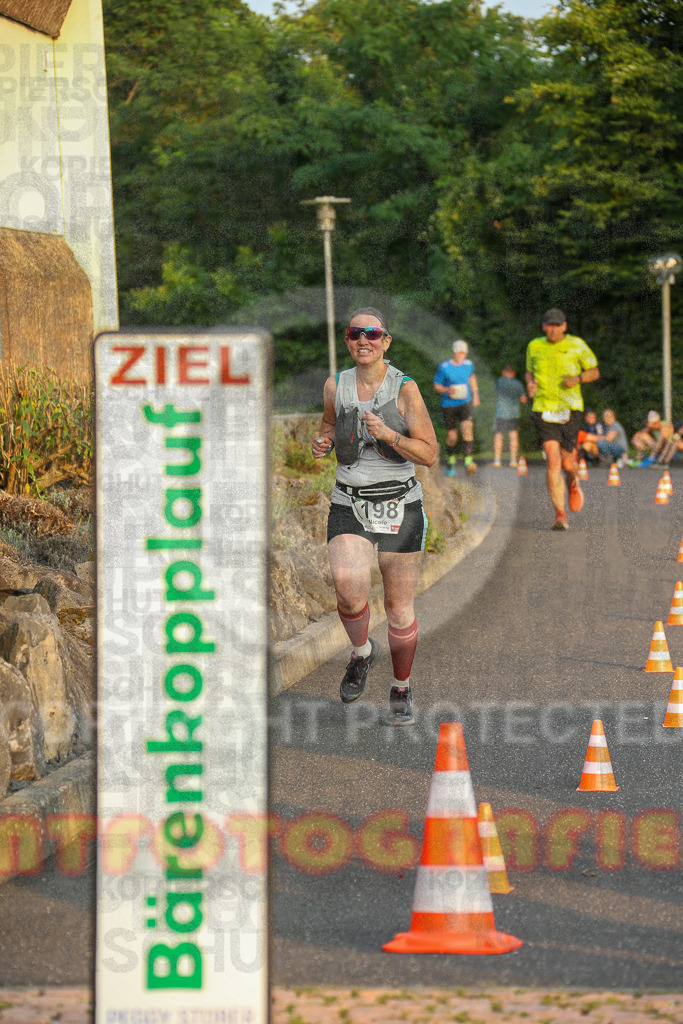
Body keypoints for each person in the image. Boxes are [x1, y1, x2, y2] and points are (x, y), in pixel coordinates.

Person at [311, 307, 438, 725]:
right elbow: (330, 425)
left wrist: (389, 434)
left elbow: (430, 455)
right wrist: (324, 442)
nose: (363, 340)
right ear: (347, 341)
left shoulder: (405, 390)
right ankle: (362, 652)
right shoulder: (337, 384)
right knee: (348, 592)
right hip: (350, 501)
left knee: (398, 606)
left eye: (373, 333)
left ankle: (401, 687)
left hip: (400, 504)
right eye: (355, 333)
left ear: (385, 341)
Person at [525, 307, 600, 530]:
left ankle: (573, 484)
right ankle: (560, 514)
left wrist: (577, 378)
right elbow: (529, 371)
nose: (553, 329)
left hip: (570, 410)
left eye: (557, 325)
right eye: (549, 324)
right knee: (552, 457)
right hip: (543, 408)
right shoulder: (534, 346)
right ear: (544, 326)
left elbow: (594, 371)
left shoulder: (577, 345)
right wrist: (530, 383)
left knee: (568, 464)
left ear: (564, 326)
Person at [433, 339, 480, 477]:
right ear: (454, 352)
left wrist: (476, 395)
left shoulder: (469, 365)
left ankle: (468, 463)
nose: (460, 355)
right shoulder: (445, 367)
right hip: (449, 404)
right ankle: (450, 461)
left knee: (467, 429)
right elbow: (436, 386)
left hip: (466, 401)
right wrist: (447, 390)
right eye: (458, 352)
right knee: (452, 437)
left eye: (463, 353)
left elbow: (472, 379)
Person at [492, 364, 527, 467]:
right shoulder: (518, 384)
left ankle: (497, 460)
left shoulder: (499, 382)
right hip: (514, 413)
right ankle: (513, 460)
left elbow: (494, 393)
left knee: (498, 435)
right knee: (513, 435)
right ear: (514, 373)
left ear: (503, 372)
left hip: (501, 413)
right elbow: (523, 400)